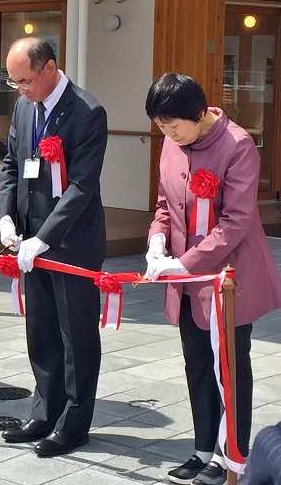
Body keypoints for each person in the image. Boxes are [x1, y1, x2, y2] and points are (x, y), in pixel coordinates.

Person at [144, 72, 281, 485]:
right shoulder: (172, 142)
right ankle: (203, 447)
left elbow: (236, 221)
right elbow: (165, 204)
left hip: (227, 280)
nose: (167, 133)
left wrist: (185, 263)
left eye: (173, 125)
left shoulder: (238, 145)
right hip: (186, 280)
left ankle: (231, 455)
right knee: (197, 363)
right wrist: (156, 241)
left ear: (199, 113)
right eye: (160, 126)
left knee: (230, 368)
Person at [0, 37, 108, 457]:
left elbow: (82, 185)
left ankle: (74, 424)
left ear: (50, 69)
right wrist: (6, 215)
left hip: (70, 241)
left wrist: (47, 237)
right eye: (14, 83)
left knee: (75, 335)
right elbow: (11, 161)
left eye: (25, 81)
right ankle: (45, 411)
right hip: (27, 238)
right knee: (40, 330)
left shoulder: (87, 112)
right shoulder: (25, 106)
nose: (20, 90)